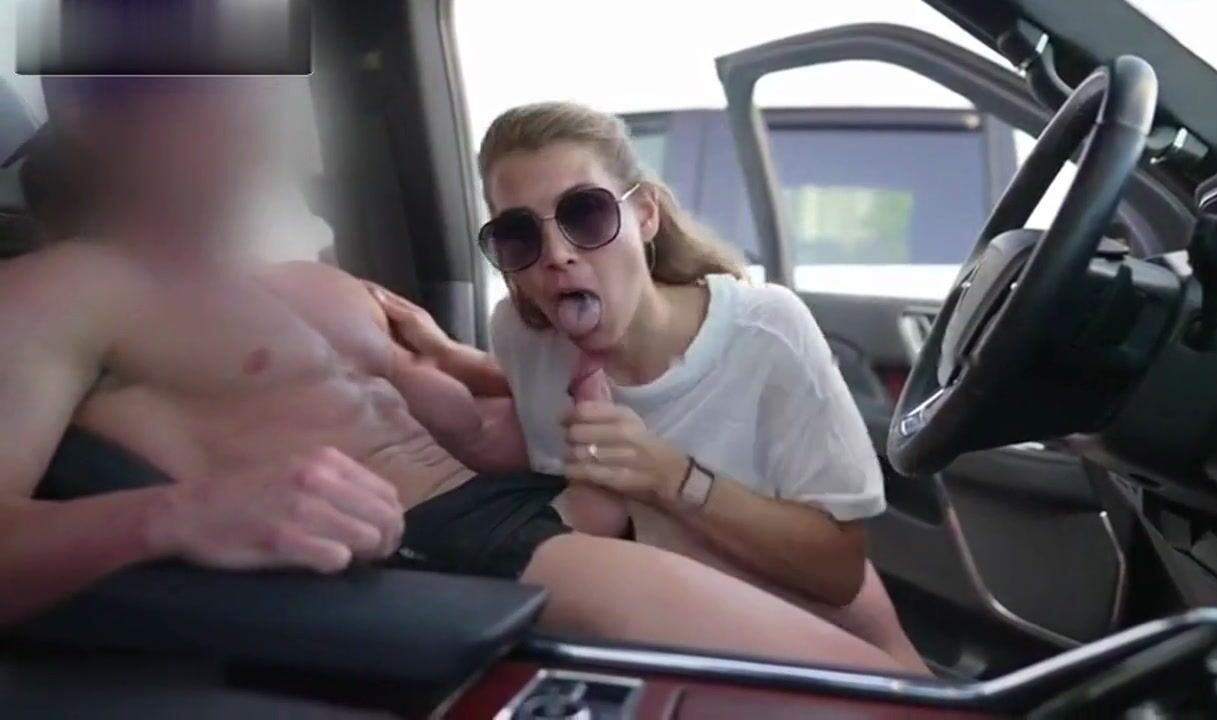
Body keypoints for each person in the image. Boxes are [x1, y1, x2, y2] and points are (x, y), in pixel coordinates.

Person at [0, 75, 909, 672]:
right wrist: (184, 512)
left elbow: (479, 423)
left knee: (873, 623)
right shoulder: (62, 287)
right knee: (876, 697)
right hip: (449, 541)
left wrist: (448, 357)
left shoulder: (307, 283)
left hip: (528, 494)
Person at [475, 101, 928, 673]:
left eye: (585, 214)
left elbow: (838, 571)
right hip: (669, 645)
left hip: (819, 644)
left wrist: (671, 477)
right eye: (518, 235)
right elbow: (588, 518)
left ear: (644, 214)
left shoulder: (765, 332)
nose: (557, 255)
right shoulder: (524, 337)